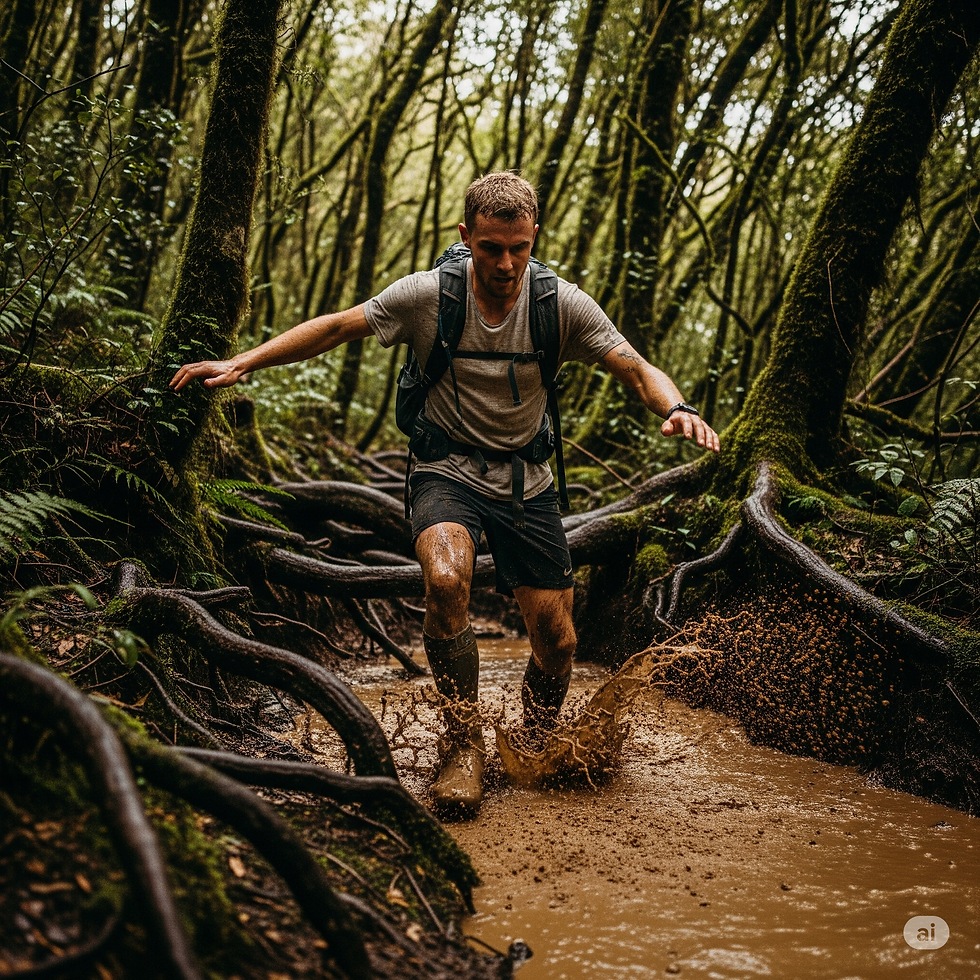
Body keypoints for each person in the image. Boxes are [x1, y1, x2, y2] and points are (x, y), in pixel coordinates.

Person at [171, 171, 720, 814]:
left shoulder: (559, 303)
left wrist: (676, 405)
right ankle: (462, 745)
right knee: (446, 575)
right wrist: (243, 363)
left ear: (534, 236)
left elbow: (632, 365)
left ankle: (537, 740)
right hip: (445, 471)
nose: (506, 263)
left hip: (528, 482)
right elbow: (336, 327)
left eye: (518, 246)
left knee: (559, 640)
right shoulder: (428, 297)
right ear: (466, 237)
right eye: (491, 247)